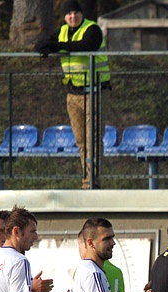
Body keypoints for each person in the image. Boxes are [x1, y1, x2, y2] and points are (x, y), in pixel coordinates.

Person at [37, 0, 110, 190]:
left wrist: (57, 45)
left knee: (92, 139)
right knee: (80, 140)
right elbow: (41, 43)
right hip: (73, 94)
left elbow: (86, 46)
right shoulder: (62, 31)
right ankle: (87, 179)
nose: (72, 16)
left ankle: (92, 181)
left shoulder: (92, 29)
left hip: (95, 92)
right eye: (68, 14)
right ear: (64, 17)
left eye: (75, 13)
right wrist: (46, 46)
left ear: (81, 14)